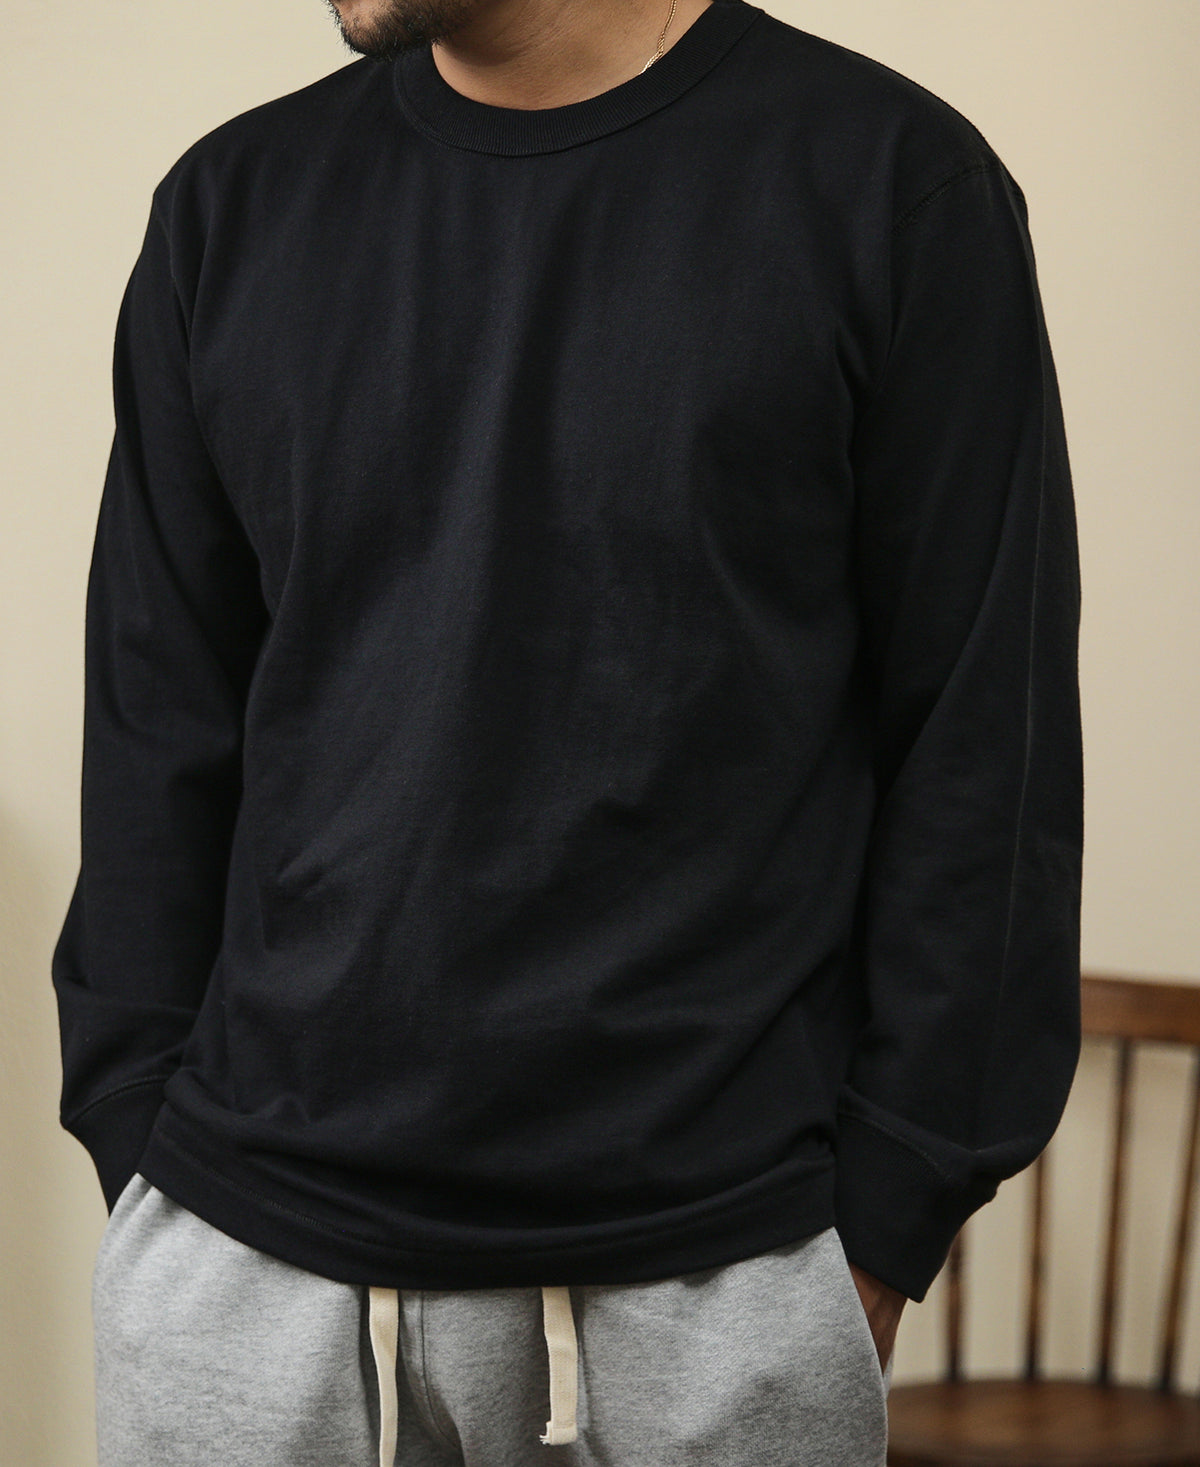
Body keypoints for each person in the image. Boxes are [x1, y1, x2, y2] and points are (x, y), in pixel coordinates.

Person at [51, 0, 1084, 1462]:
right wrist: (137, 1141)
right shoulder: (231, 206)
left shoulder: (894, 185)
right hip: (244, 1268)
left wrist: (885, 1217)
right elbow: (156, 721)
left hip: (716, 1280)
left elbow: (986, 740)